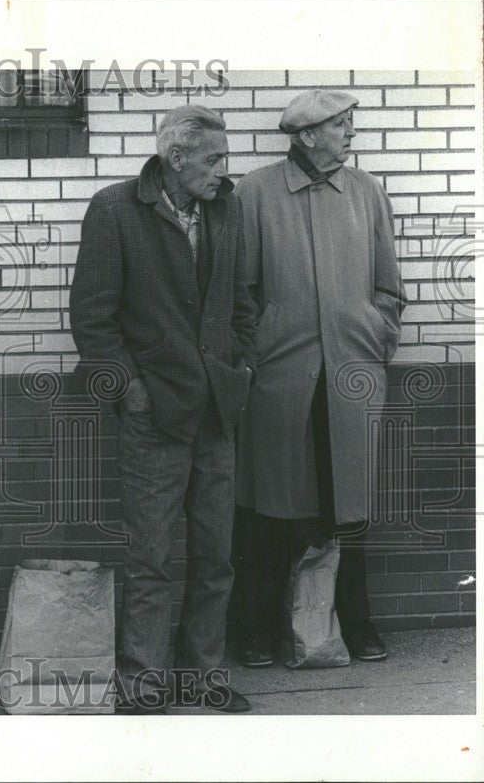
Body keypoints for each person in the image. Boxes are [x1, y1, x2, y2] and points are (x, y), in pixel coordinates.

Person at [70, 105, 257, 714]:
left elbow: (243, 301)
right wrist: (130, 389)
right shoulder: (116, 209)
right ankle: (143, 681)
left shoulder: (226, 209)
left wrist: (239, 365)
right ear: (175, 159)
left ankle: (204, 677)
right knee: (150, 557)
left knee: (215, 556)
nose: (223, 171)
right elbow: (93, 319)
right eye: (212, 159)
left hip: (217, 414)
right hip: (153, 415)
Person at [231, 90, 406, 667]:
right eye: (341, 125)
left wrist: (376, 332)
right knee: (271, 505)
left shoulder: (367, 192)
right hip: (281, 379)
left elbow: (389, 284)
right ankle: (257, 628)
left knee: (348, 504)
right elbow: (242, 291)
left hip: (353, 374)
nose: (351, 133)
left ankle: (356, 623)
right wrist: (258, 355)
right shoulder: (255, 192)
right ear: (307, 136)